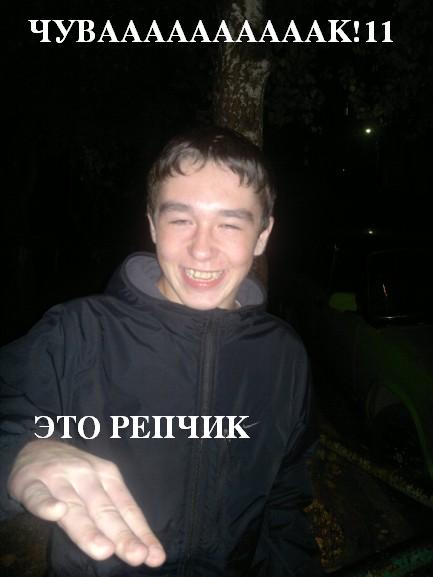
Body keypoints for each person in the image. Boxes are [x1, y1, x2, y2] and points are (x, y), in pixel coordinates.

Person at [0, 126, 322, 576]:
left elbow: (284, 502)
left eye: (230, 224)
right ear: (152, 225)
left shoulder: (284, 356)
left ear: (263, 235)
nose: (202, 250)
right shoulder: (76, 332)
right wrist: (20, 453)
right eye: (180, 220)